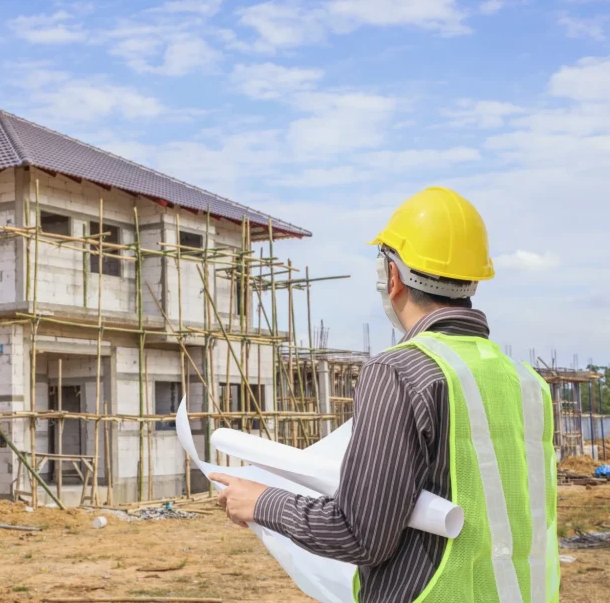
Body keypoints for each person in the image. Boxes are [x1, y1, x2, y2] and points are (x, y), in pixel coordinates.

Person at [211, 186, 559, 602]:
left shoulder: (399, 370)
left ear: (392, 277)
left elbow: (359, 534)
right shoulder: (527, 383)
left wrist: (262, 501)